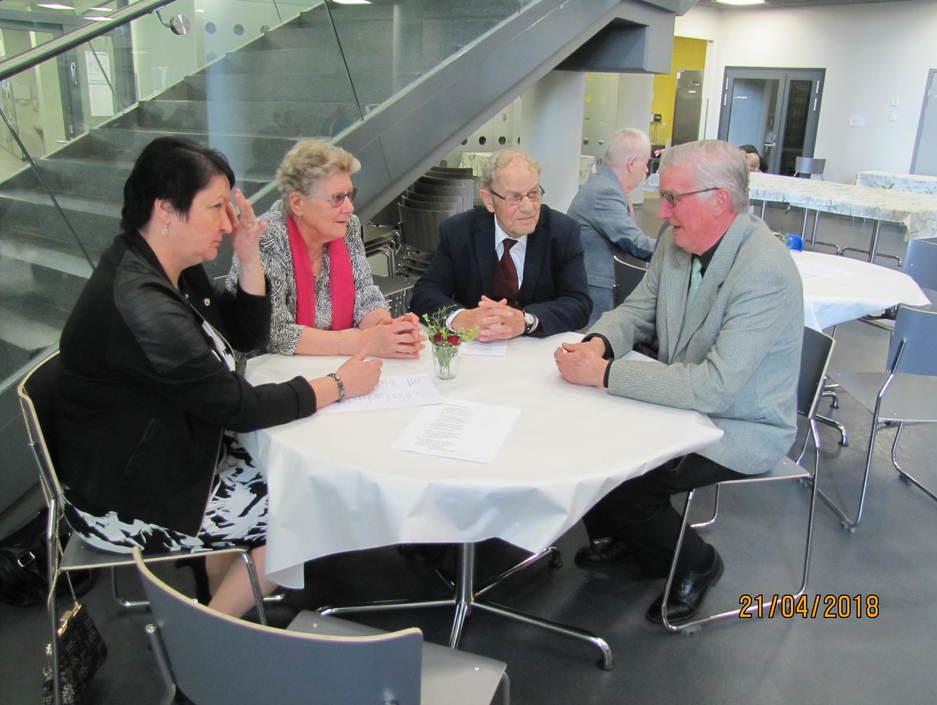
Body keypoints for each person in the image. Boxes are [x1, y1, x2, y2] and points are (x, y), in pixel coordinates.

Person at [55, 137, 382, 617]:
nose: (228, 224)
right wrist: (337, 384)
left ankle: (216, 596)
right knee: (307, 508)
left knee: (303, 477)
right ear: (166, 210)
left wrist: (249, 259)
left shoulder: (167, 267)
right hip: (131, 495)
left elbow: (244, 335)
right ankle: (208, 636)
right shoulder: (141, 302)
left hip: (175, 450)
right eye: (215, 208)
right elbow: (238, 407)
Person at [554, 139, 803, 625]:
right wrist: (598, 343)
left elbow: (715, 389)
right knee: (589, 444)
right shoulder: (678, 239)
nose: (663, 212)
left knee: (631, 481)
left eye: (672, 198)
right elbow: (638, 309)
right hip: (683, 400)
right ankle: (635, 542)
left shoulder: (765, 271)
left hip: (740, 423)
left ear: (720, 200)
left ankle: (697, 563)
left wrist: (604, 373)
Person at [227, 138, 423, 358]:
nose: (349, 208)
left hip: (332, 362)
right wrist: (365, 342)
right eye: (337, 198)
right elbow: (275, 333)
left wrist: (387, 328)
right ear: (297, 203)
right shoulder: (266, 236)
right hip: (272, 370)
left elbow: (364, 293)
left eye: (350, 195)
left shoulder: (348, 227)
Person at [410, 149, 591, 338]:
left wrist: (526, 321)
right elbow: (425, 293)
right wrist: (461, 318)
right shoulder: (458, 231)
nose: (528, 207)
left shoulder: (563, 232)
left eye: (533, 193)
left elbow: (579, 304)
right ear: (489, 200)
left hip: (536, 347)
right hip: (476, 346)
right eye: (515, 197)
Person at [567, 128, 658, 325]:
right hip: (599, 291)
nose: (646, 170)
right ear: (632, 163)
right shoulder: (605, 192)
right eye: (645, 163)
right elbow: (632, 241)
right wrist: (674, 250)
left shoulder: (608, 186)